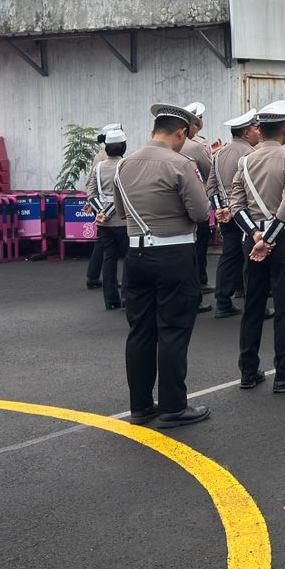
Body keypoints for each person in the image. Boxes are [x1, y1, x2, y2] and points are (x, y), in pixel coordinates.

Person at [105, 102, 211, 428]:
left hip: (136, 255)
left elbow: (120, 211)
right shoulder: (181, 164)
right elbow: (200, 213)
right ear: (180, 133)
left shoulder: (125, 164)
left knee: (140, 331)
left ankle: (140, 406)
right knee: (173, 330)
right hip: (174, 254)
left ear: (153, 131)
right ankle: (173, 406)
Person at [230, 100, 285, 394]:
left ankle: (248, 371)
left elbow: (236, 205)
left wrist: (257, 235)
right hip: (284, 238)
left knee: (253, 305)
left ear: (260, 130)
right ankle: (284, 373)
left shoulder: (245, 161)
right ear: (284, 130)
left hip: (252, 239)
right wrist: (270, 238)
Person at [209, 110, 258, 319]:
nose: (259, 132)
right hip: (246, 212)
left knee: (229, 255)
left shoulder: (219, 154)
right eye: (256, 128)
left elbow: (211, 187)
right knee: (252, 257)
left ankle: (223, 300)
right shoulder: (251, 154)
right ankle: (253, 302)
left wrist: (220, 209)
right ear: (246, 133)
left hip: (226, 213)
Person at [90, 129, 129, 310]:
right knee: (128, 258)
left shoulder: (98, 167)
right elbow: (126, 194)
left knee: (109, 258)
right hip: (123, 220)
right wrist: (111, 211)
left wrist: (101, 212)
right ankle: (127, 297)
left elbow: (91, 194)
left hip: (104, 222)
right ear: (123, 147)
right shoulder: (126, 165)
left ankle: (111, 300)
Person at [180, 102, 215, 303]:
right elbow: (210, 173)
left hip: (176, 206)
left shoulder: (172, 145)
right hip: (197, 200)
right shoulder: (197, 146)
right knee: (199, 245)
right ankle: (199, 282)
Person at [85, 123, 120, 289]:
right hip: (110, 207)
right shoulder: (107, 159)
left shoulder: (100, 156)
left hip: (99, 205)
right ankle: (98, 278)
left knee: (103, 245)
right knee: (111, 248)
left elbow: (90, 184)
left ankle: (93, 276)